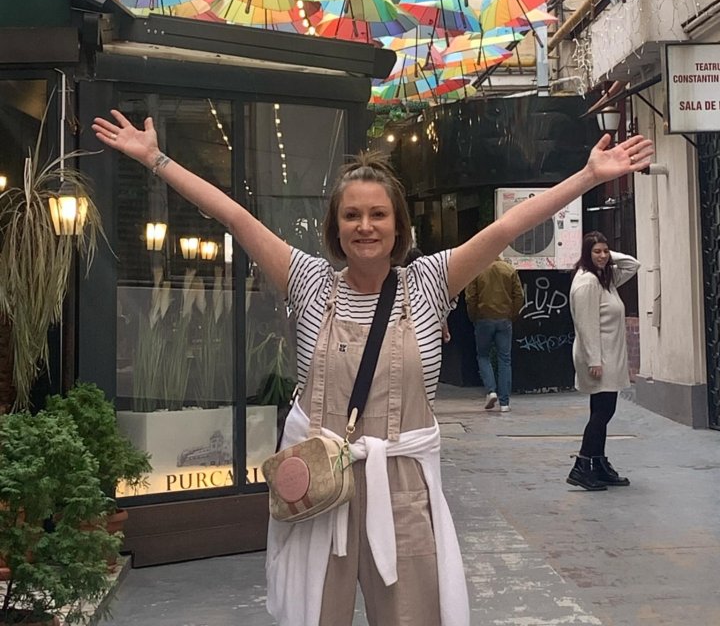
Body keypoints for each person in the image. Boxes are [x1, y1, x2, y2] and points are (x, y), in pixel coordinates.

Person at [91, 110, 653, 626]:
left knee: (411, 614)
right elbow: (235, 217)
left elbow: (505, 230)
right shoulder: (309, 284)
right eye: (352, 215)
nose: (365, 225)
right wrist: (154, 159)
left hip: (402, 482)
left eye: (377, 214)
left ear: (397, 224)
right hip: (320, 481)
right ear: (335, 228)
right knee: (317, 615)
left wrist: (586, 177)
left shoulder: (432, 283)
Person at [567, 231, 640, 492]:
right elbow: (586, 326)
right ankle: (582, 464)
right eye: (596, 251)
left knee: (601, 410)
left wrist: (608, 259)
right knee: (603, 412)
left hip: (610, 356)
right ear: (586, 254)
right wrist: (594, 360)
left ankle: (598, 463)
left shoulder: (604, 279)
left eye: (605, 251)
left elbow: (633, 265)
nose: (602, 256)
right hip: (599, 359)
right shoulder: (587, 283)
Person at [465, 257, 524, 412]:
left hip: (483, 318)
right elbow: (519, 295)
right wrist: (512, 314)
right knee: (505, 359)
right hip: (504, 319)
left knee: (483, 356)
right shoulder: (509, 270)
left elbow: (471, 297)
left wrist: (473, 316)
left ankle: (491, 391)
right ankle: (505, 403)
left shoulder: (478, 269)